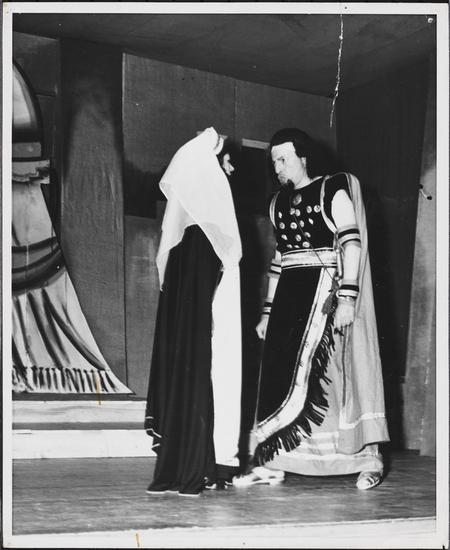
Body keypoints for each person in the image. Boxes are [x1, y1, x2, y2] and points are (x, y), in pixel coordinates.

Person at [234, 128, 389, 490]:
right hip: (289, 298)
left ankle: (366, 459)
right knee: (279, 377)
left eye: (283, 158)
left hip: (325, 294)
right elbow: (279, 260)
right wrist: (267, 312)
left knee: (331, 376)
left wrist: (347, 298)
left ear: (303, 158)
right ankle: (273, 461)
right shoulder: (277, 204)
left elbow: (352, 245)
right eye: (274, 161)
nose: (278, 167)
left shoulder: (332, 190)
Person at [144, 127, 242, 496]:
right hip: (208, 336)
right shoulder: (206, 234)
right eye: (225, 162)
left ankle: (191, 465)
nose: (231, 169)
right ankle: (201, 466)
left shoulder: (185, 238)